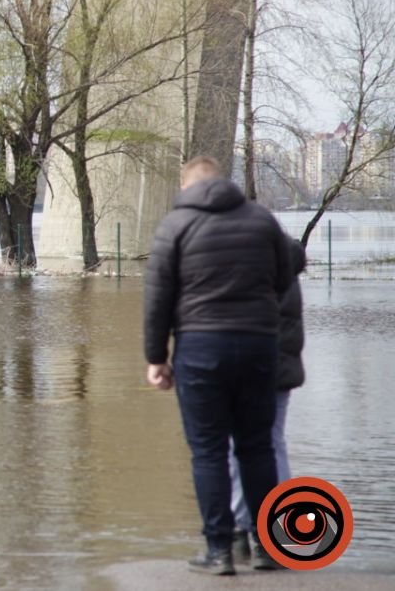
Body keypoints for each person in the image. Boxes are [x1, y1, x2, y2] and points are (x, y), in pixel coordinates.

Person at [142, 156, 292, 575]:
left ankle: (219, 550)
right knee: (256, 446)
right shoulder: (263, 221)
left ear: (185, 185)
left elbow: (157, 299)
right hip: (259, 346)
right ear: (222, 183)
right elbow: (284, 277)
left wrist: (156, 358)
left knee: (208, 451)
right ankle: (265, 547)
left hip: (201, 348)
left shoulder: (175, 225)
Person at [229, 237, 307, 563]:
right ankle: (279, 528)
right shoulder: (288, 267)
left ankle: (239, 529)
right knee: (274, 444)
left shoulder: (248, 268)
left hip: (248, 367)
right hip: (281, 370)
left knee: (235, 445)